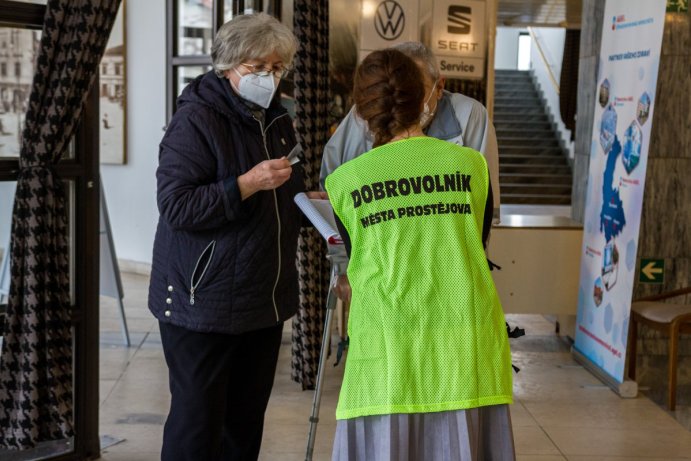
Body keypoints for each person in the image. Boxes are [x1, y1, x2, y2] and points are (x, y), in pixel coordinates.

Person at [324, 49, 515, 460]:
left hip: (387, 350)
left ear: (361, 110)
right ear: (424, 97)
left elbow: (357, 261)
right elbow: (476, 244)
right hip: (464, 345)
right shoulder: (471, 166)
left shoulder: (346, 183)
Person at [148, 13, 319, 461]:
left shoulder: (277, 120)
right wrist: (245, 184)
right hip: (200, 301)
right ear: (228, 66)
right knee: (197, 426)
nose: (270, 77)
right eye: (258, 67)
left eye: (278, 68)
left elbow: (282, 198)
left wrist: (310, 201)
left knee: (243, 428)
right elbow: (177, 206)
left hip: (261, 300)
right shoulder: (196, 120)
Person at [320, 41, 500, 221]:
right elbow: (336, 189)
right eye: (401, 91)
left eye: (416, 90)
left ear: (439, 87)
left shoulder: (470, 117)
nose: (405, 100)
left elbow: (482, 208)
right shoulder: (368, 112)